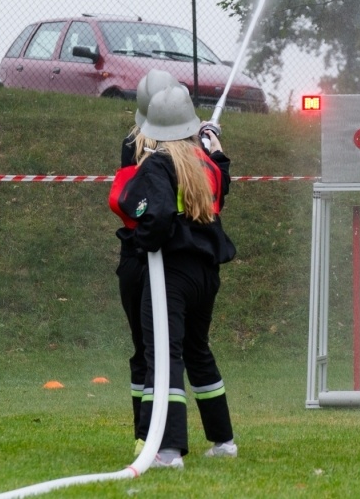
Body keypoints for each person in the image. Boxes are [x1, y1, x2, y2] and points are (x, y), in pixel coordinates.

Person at [117, 85, 238, 469]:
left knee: (163, 358)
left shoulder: (156, 164)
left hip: (170, 275)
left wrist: (140, 242)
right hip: (206, 274)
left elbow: (156, 215)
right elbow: (223, 180)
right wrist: (214, 145)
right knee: (198, 352)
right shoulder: (204, 163)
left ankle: (166, 451)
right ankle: (223, 441)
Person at [108, 69, 179, 455]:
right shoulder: (134, 146)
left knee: (162, 350)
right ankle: (145, 433)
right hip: (141, 259)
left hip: (168, 263)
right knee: (147, 348)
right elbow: (130, 203)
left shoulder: (187, 148)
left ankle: (160, 434)